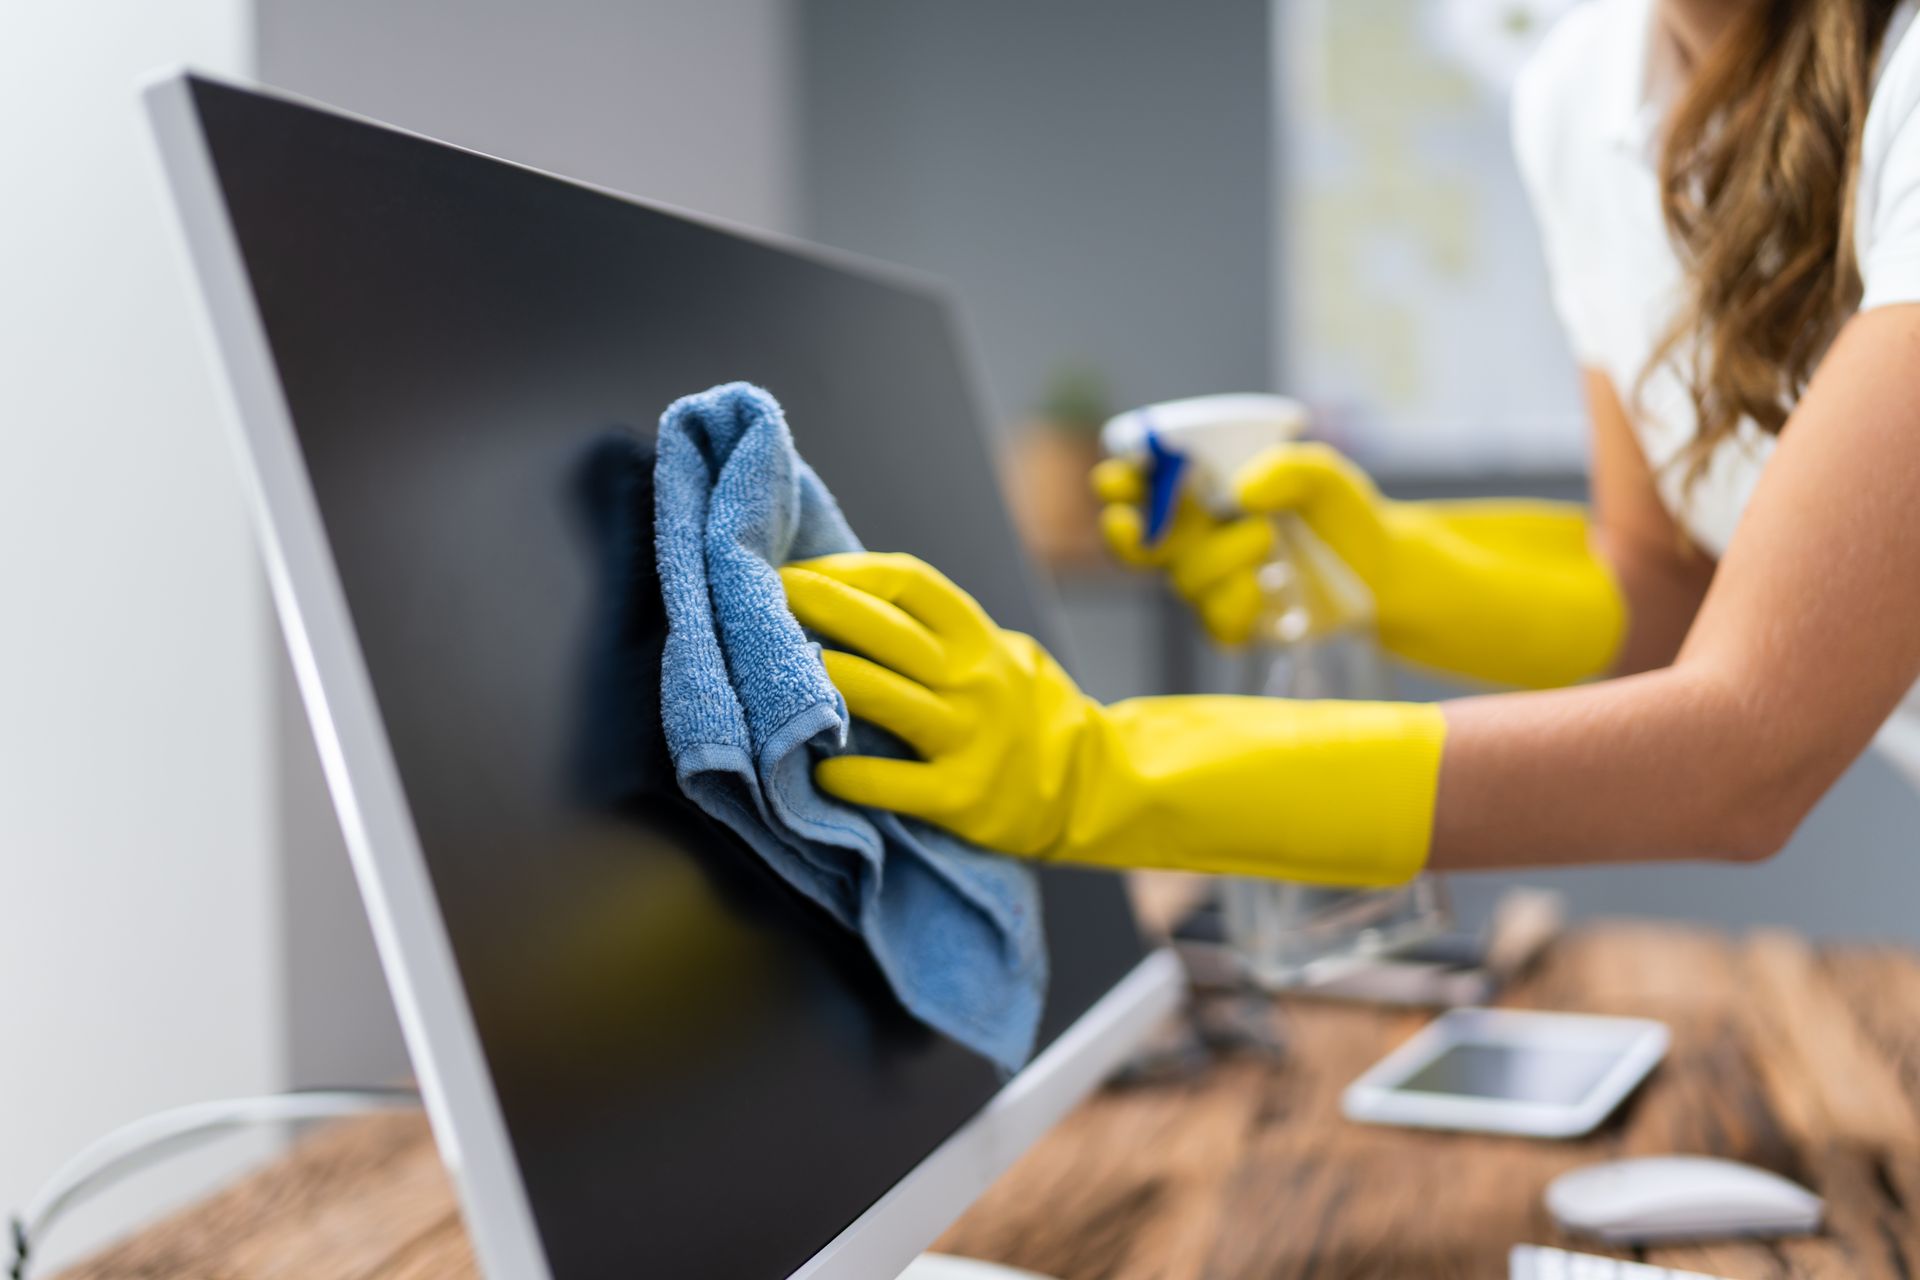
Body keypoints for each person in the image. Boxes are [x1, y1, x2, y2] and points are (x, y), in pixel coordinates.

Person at [779, 0, 1920, 888]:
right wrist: (1386, 568)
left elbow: (1745, 751)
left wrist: (1103, 772)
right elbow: (1669, 584)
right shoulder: (1579, 99)